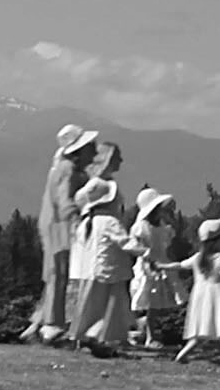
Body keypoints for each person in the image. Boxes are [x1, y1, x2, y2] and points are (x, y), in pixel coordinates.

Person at [24, 125, 93, 344]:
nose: (94, 150)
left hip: (54, 225)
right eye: (89, 146)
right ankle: (53, 324)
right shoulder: (68, 170)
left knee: (55, 274)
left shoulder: (64, 168)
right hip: (60, 227)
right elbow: (65, 202)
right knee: (59, 274)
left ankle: (40, 323)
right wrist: (80, 221)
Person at [68, 177, 146, 357]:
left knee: (89, 307)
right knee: (110, 309)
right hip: (109, 272)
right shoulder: (110, 221)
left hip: (88, 273)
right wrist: (144, 251)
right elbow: (124, 242)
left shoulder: (86, 222)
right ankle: (101, 339)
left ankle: (85, 338)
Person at [155, 220, 220, 365]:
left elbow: (180, 265)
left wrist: (162, 266)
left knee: (211, 329)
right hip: (216, 297)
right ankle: (182, 356)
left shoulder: (198, 257)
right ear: (217, 241)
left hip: (200, 296)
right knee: (206, 331)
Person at [129, 188, 181, 349]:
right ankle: (149, 336)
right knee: (149, 302)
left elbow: (168, 242)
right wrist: (148, 258)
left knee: (157, 305)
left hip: (161, 265)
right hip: (147, 267)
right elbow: (135, 247)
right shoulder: (141, 227)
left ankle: (143, 330)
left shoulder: (162, 226)